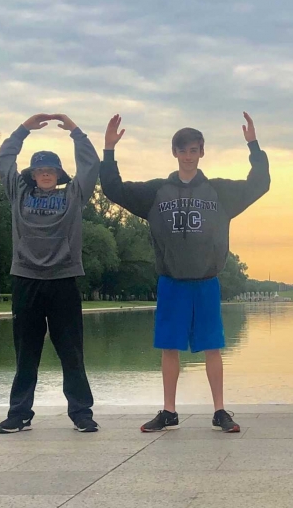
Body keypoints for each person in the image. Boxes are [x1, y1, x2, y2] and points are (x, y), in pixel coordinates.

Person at [100, 113, 270, 433]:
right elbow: (113, 188)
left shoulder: (220, 191)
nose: (188, 156)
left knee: (212, 348)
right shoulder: (156, 192)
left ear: (202, 152)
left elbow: (260, 183)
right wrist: (109, 150)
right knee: (170, 347)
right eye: (183, 150)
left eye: (194, 150)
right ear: (174, 153)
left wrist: (254, 146)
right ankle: (169, 411)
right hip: (172, 281)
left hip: (206, 281)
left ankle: (220, 410)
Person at [0, 113, 101, 434]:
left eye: (50, 171)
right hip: (26, 279)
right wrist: (23, 128)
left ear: (58, 174)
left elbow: (91, 165)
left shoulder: (73, 195)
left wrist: (77, 132)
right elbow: (3, 159)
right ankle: (19, 413)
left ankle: (81, 412)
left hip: (63, 280)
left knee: (71, 352)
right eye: (40, 170)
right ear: (32, 174)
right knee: (26, 352)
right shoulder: (19, 193)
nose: (45, 175)